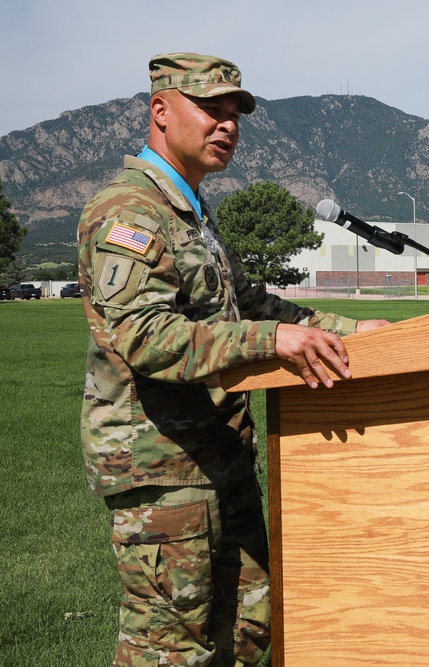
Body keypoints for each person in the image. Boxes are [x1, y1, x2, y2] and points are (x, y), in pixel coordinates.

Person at [77, 52, 389, 666]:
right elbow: (146, 336)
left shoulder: (190, 213)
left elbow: (249, 304)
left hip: (221, 458)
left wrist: (359, 331)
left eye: (235, 114)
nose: (227, 125)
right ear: (161, 112)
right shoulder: (128, 211)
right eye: (211, 109)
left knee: (247, 631)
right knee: (170, 648)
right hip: (162, 470)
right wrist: (268, 342)